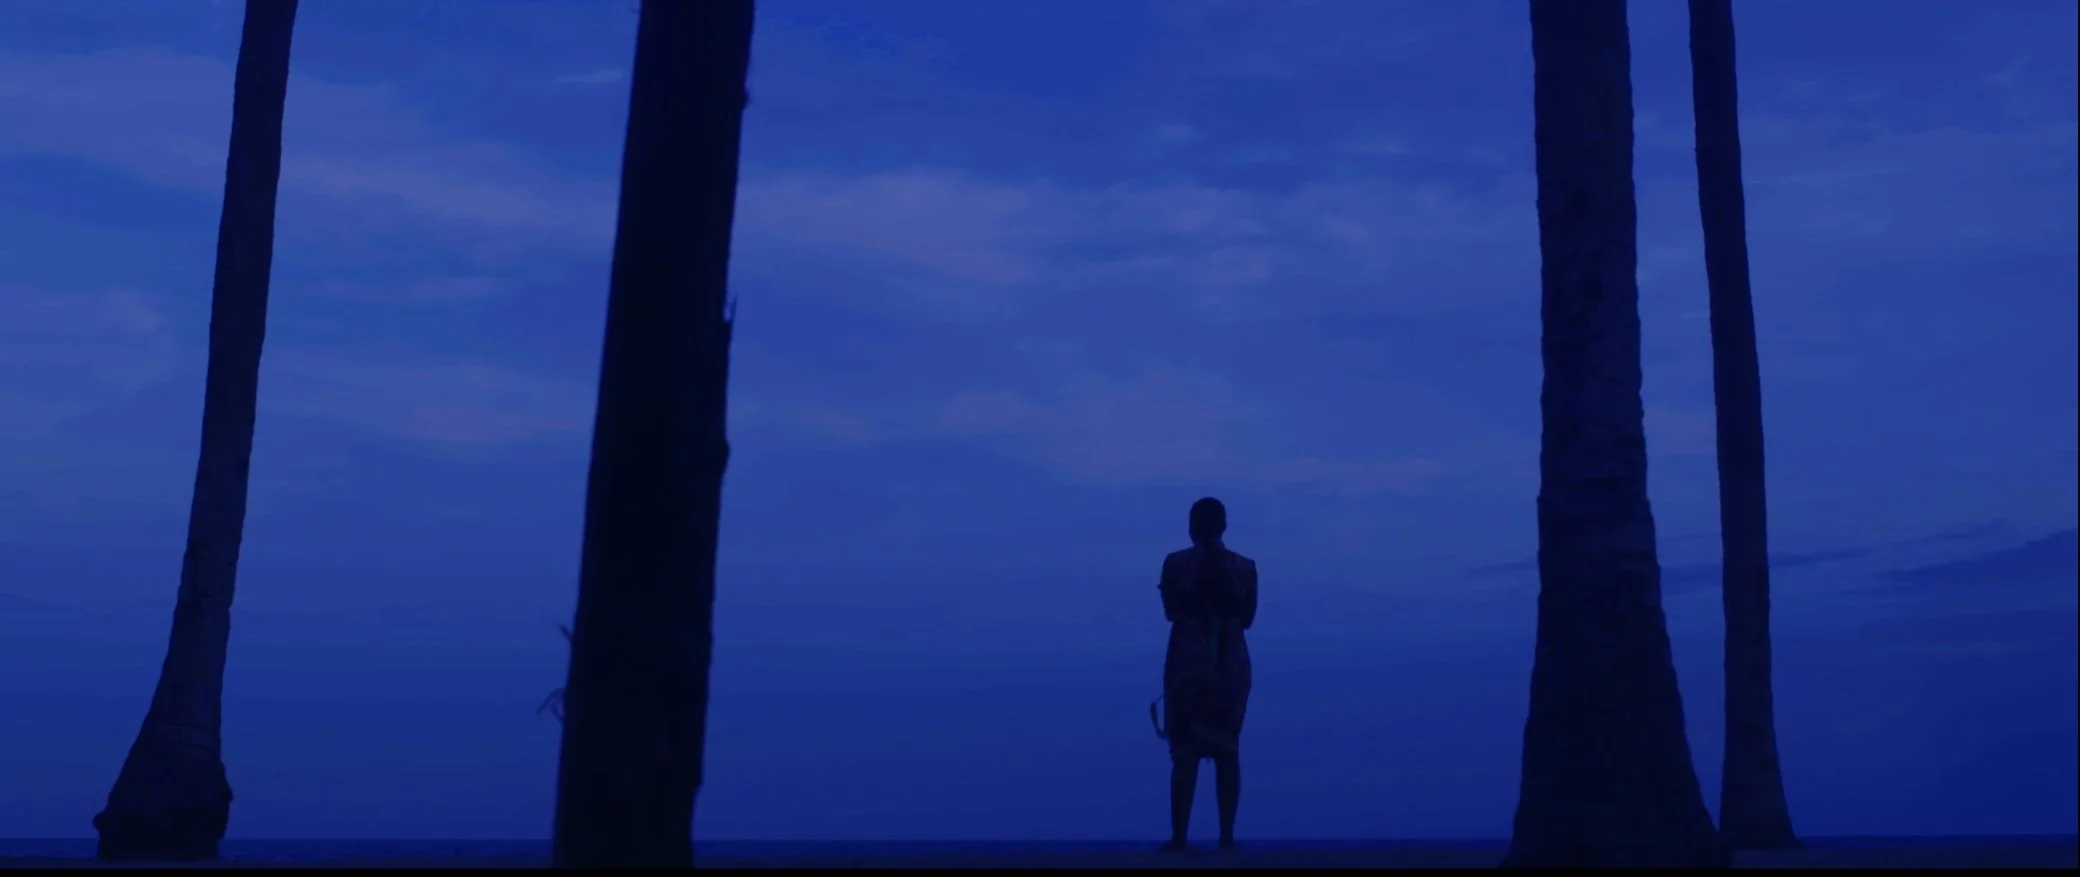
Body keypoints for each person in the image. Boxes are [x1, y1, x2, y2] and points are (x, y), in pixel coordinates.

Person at [1154, 497, 1258, 851]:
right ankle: (1226, 838)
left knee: (1184, 751)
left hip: (1187, 660)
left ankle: (1180, 838)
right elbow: (1248, 618)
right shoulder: (1246, 567)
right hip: (1231, 663)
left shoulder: (1175, 564)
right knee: (1228, 749)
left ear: (1192, 525)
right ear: (1224, 526)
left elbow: (1170, 611)